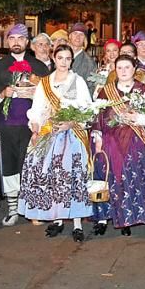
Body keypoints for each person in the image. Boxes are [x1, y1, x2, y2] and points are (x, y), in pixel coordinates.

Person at [20, 43, 94, 242]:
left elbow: (88, 109)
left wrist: (70, 122)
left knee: (72, 178)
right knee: (53, 178)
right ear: (54, 58)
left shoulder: (78, 81)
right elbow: (36, 109)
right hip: (49, 133)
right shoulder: (45, 83)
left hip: (71, 135)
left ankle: (77, 223)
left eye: (67, 58)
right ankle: (58, 218)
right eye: (60, 58)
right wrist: (35, 126)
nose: (63, 62)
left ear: (72, 60)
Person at [0, 24, 51, 225]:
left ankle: (33, 208)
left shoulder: (38, 67)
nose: (16, 43)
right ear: (7, 42)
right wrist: (2, 94)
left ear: (27, 42)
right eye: (12, 39)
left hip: (32, 127)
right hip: (7, 126)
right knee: (11, 166)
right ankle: (13, 208)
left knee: (33, 165)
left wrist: (37, 93)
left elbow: (51, 96)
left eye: (20, 39)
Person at [91, 54, 145, 235]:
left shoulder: (142, 89)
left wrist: (139, 118)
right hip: (111, 142)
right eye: (119, 68)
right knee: (114, 180)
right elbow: (98, 118)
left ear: (134, 69)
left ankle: (132, 217)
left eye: (127, 67)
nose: (123, 71)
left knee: (133, 178)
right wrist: (98, 140)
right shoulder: (107, 91)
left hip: (135, 141)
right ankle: (114, 217)